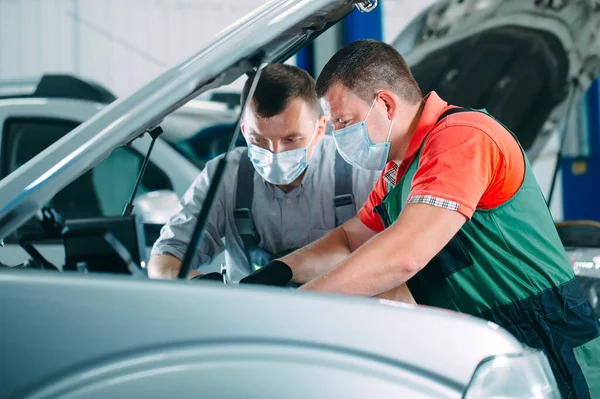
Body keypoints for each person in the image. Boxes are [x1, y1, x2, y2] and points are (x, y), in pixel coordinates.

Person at [240, 40, 600, 398]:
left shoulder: (464, 138)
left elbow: (403, 255)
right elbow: (350, 240)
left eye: (343, 122)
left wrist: (296, 306)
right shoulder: (399, 171)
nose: (338, 135)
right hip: (493, 350)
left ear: (384, 103)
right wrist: (277, 272)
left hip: (551, 343)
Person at [147, 64, 379, 283]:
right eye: (259, 140)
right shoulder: (227, 177)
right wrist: (198, 286)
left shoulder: (361, 171)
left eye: (290, 139)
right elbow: (165, 257)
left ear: (319, 129)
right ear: (244, 130)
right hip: (250, 319)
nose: (275, 152)